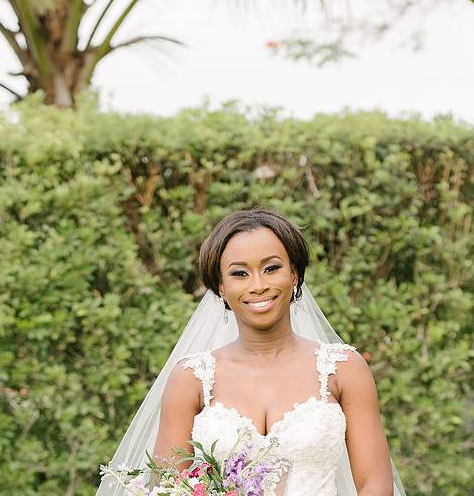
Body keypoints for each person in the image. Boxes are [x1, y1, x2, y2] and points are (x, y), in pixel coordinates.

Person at [99, 209, 405, 495]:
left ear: (294, 275)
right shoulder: (192, 379)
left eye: (271, 268)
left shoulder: (343, 368)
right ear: (220, 287)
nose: (258, 285)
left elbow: (375, 484)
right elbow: (167, 486)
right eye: (240, 274)